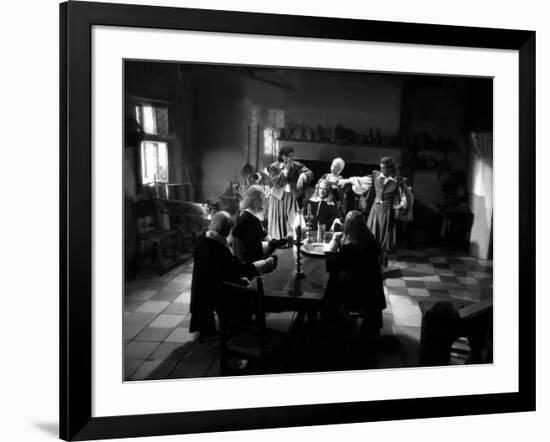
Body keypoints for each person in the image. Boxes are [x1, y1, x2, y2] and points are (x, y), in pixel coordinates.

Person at [189, 211, 277, 339]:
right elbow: (235, 270)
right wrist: (262, 265)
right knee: (247, 292)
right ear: (227, 229)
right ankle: (242, 328)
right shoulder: (218, 248)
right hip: (216, 292)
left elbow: (227, 270)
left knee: (242, 281)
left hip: (202, 291)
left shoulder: (204, 239)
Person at [323, 210, 386, 333]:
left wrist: (334, 243)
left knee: (332, 280)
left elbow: (331, 266)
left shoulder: (349, 248)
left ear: (348, 226)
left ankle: (329, 318)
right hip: (372, 291)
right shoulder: (372, 242)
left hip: (356, 293)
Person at [339, 157, 409, 266]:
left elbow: (405, 196)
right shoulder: (376, 175)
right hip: (375, 210)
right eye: (380, 168)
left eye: (383, 168)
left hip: (387, 212)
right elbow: (361, 180)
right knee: (372, 235)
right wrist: (346, 180)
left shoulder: (397, 181)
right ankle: (372, 261)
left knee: (384, 238)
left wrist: (400, 206)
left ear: (390, 169)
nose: (381, 170)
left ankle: (382, 262)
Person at [266, 146, 313, 240]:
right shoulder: (274, 167)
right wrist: (286, 171)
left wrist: (303, 175)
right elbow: (276, 183)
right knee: (278, 222)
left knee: (294, 222)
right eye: (287, 156)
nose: (290, 159)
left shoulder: (297, 165)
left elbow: (310, 173)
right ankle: (278, 242)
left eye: (291, 156)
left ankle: (294, 242)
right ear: (282, 156)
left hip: (292, 197)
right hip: (278, 198)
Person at [232, 185, 285, 264]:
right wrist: (274, 244)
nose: (264, 201)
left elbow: (264, 234)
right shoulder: (248, 219)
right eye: (261, 198)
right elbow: (255, 250)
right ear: (253, 200)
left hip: (250, 256)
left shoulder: (250, 214)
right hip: (249, 262)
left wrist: (276, 243)